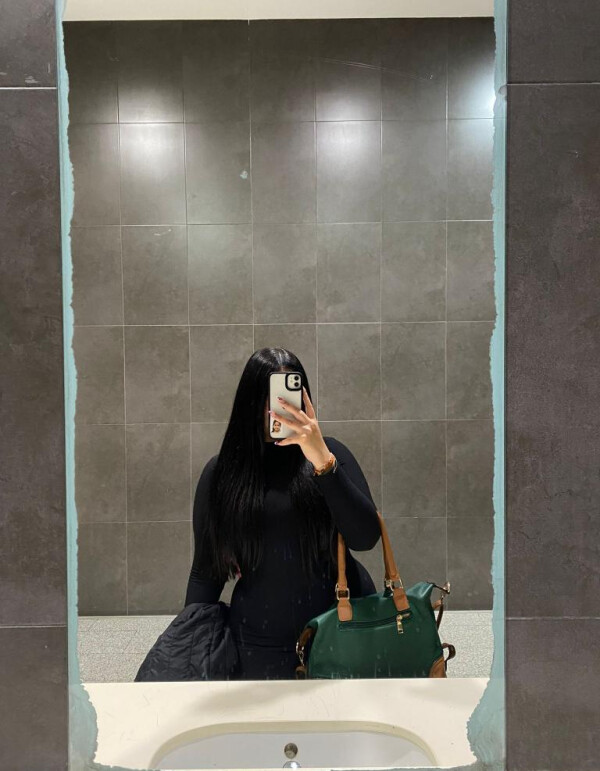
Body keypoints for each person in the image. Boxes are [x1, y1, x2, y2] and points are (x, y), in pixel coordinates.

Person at [184, 347, 381, 680]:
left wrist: (323, 461)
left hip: (341, 631)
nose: (281, 408)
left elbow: (365, 538)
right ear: (249, 403)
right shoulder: (222, 474)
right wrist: (187, 649)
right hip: (257, 644)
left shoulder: (330, 455)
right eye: (272, 397)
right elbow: (206, 574)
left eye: (290, 395)